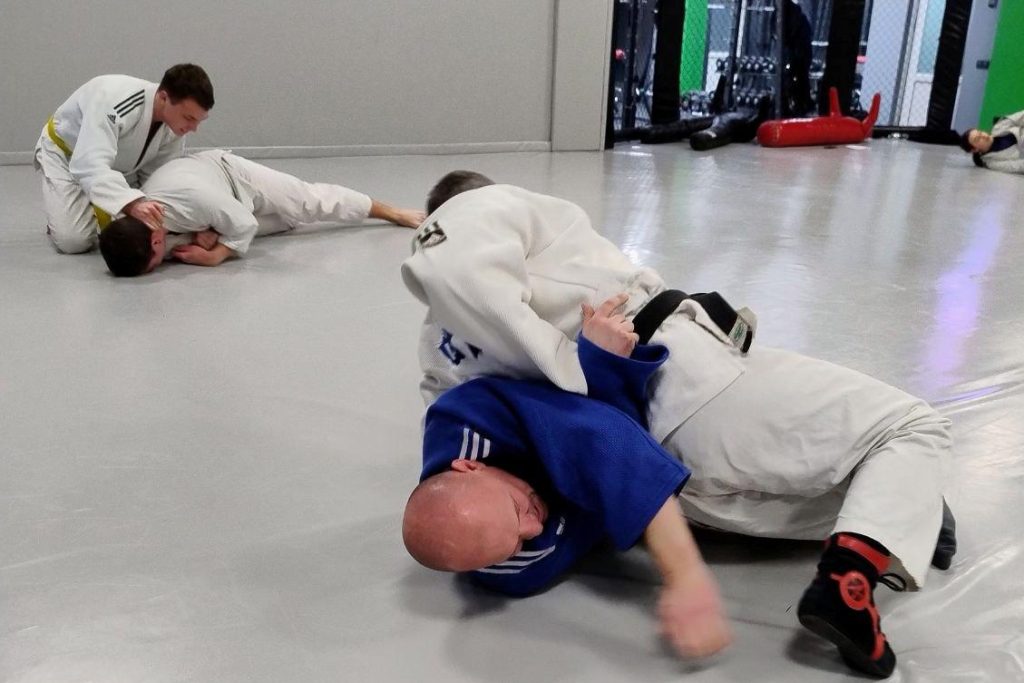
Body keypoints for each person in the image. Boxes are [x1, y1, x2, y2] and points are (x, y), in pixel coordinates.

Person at [400, 171, 956, 678]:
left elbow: (536, 463)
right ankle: (848, 581)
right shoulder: (474, 219)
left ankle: (904, 507)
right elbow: (454, 260)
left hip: (667, 472)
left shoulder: (443, 367)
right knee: (911, 427)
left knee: (859, 485)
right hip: (681, 389)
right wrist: (583, 363)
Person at [403, 296, 732, 660]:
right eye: (516, 544)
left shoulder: (475, 418)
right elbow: (597, 501)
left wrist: (685, 575)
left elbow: (607, 443)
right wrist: (609, 377)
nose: (534, 527)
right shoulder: (503, 565)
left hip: (610, 340)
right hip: (643, 453)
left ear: (469, 466)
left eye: (516, 509)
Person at [97, 149, 425, 276]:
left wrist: (217, 254)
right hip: (218, 207)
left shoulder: (192, 200)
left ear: (156, 242)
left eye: (156, 262)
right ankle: (222, 227)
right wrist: (203, 236)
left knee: (308, 202)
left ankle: (390, 212)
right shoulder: (130, 227)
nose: (161, 263)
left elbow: (243, 223)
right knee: (288, 221)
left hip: (233, 176)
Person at [34, 64, 215, 254]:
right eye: (189, 118)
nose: (194, 128)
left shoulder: (174, 127)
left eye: (198, 120)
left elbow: (159, 180)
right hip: (67, 156)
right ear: (163, 97)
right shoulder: (113, 102)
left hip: (120, 167)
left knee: (145, 225)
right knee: (73, 242)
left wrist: (195, 223)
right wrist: (132, 204)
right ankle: (64, 211)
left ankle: (88, 204)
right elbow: (89, 165)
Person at [959, 110, 1024, 174]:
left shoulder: (999, 127)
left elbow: (1020, 116)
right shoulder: (992, 162)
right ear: (975, 149)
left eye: (980, 132)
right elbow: (1018, 166)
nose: (983, 136)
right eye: (977, 139)